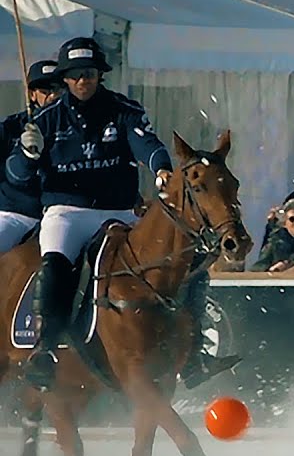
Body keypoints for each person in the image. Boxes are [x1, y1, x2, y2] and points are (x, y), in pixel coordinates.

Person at [5, 37, 235, 389]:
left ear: (100, 75)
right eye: (76, 74)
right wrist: (27, 154)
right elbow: (16, 176)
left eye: (90, 73)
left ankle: (194, 351)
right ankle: (46, 348)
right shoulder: (46, 120)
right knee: (55, 262)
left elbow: (146, 143)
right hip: (68, 212)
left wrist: (160, 168)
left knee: (186, 262)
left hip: (120, 210)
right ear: (65, 78)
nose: (83, 80)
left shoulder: (123, 109)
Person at [0, 60, 61, 253]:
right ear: (32, 94)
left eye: (59, 89)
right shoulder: (10, 128)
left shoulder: (80, 126)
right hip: (16, 215)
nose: (54, 96)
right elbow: (15, 176)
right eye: (45, 90)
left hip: (64, 213)